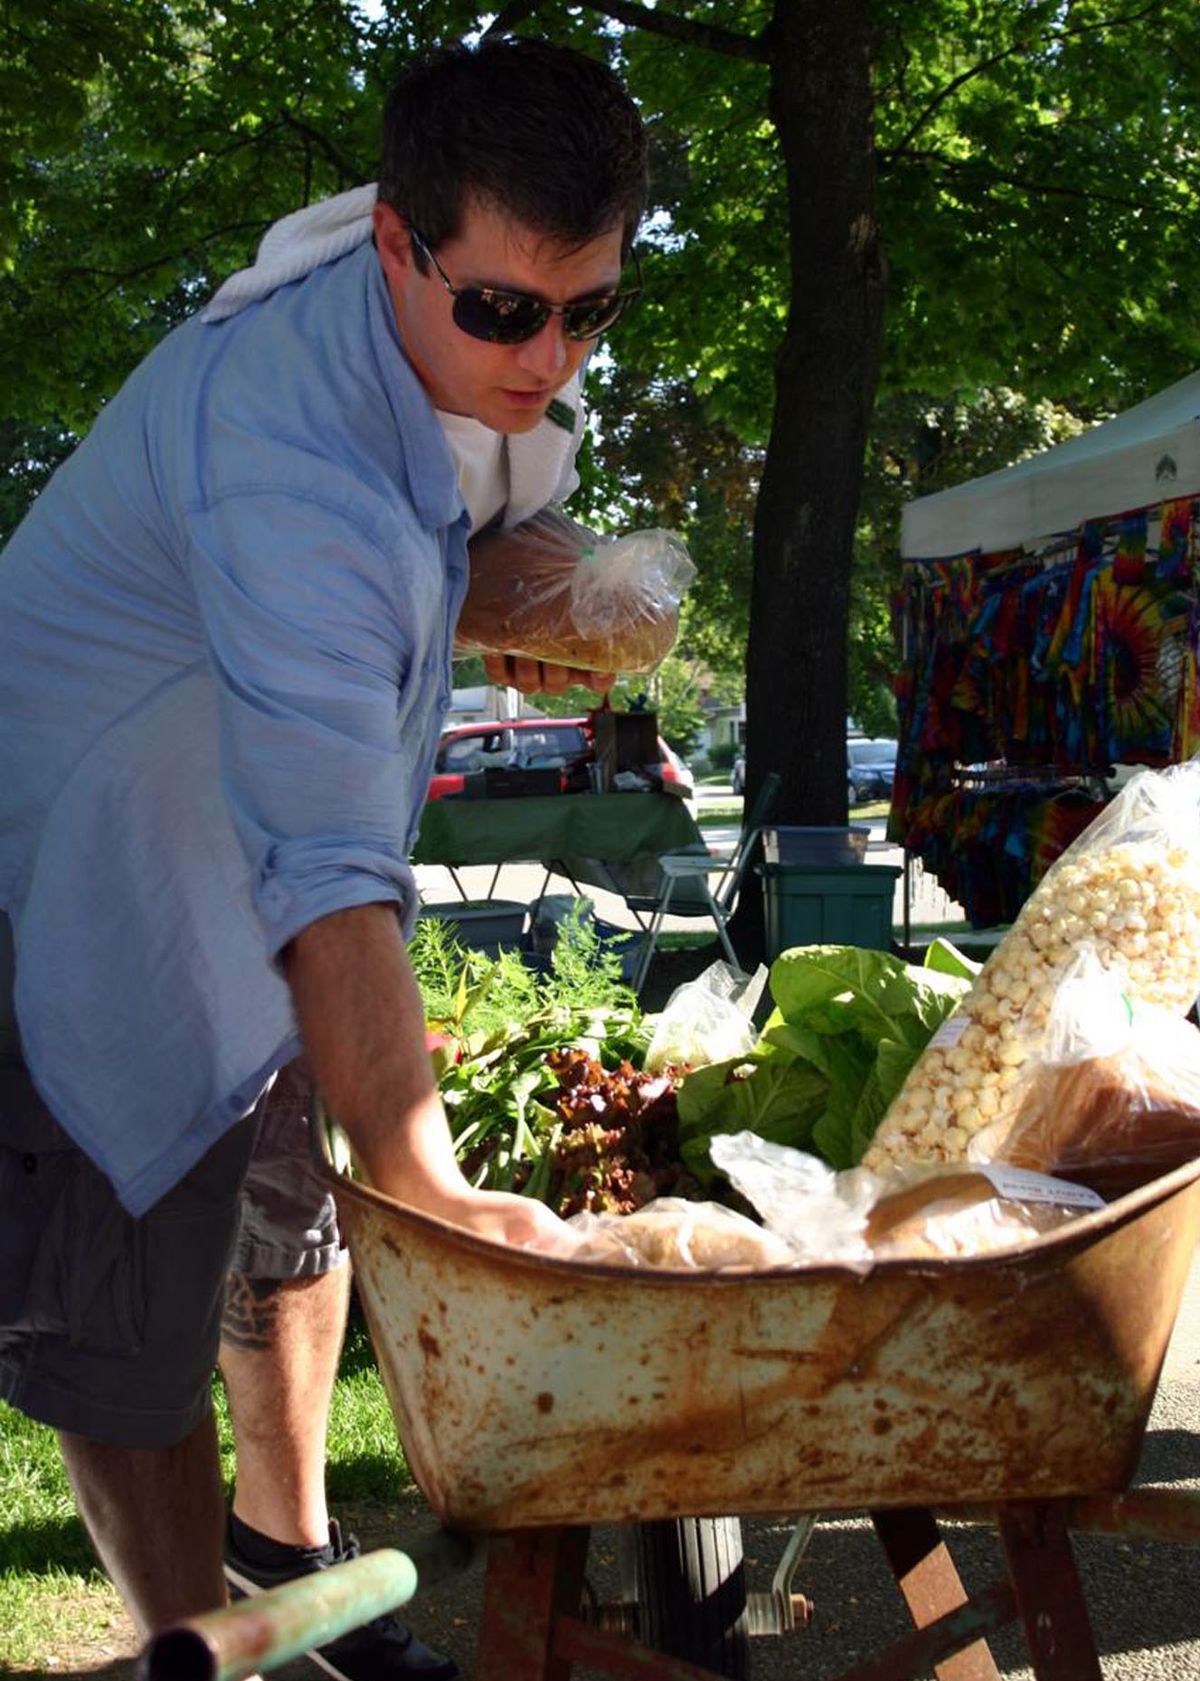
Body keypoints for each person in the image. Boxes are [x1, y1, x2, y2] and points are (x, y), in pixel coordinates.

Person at [0, 36, 647, 1678]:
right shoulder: (291, 453)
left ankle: (289, 1556)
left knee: (295, 1222)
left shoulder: (433, 366)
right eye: (507, 310)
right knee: (130, 1314)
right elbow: (327, 869)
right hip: (84, 889)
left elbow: (460, 545)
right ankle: (200, 1649)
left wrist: (544, 586)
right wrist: (426, 1169)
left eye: (590, 312)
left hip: (249, 859)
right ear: (393, 240)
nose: (550, 356)